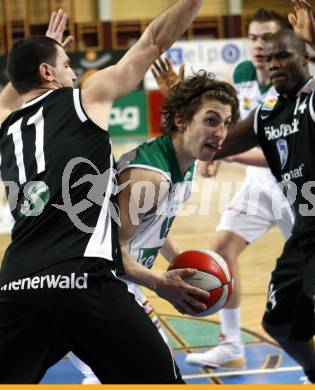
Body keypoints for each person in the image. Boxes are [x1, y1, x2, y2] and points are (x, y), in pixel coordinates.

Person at [0, 1, 210, 384]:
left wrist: (39, 52)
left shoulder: (5, 121)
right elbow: (153, 42)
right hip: (81, 279)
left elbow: (12, 93)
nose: (74, 73)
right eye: (67, 66)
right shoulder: (85, 98)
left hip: (16, 284)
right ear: (47, 73)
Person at [68, 69, 240, 384]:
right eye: (211, 120)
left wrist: (179, 262)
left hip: (116, 283)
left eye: (226, 123)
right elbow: (105, 254)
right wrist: (160, 282)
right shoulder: (150, 179)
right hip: (89, 288)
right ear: (181, 121)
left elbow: (154, 227)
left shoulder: (183, 160)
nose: (221, 132)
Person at [151, 10, 294, 368]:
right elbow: (235, 127)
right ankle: (231, 345)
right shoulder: (244, 74)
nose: (260, 45)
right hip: (260, 188)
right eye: (255, 37)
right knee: (221, 253)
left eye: (269, 38)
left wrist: (227, 153)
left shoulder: (295, 84)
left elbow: (285, 152)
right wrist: (214, 146)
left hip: (297, 186)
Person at [198, 0, 315, 383]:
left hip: (298, 201)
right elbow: (229, 138)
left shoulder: (310, 96)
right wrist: (204, 141)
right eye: (259, 43)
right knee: (276, 320)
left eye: (282, 51)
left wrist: (312, 39)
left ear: (302, 54)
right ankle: (234, 343)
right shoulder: (261, 99)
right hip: (291, 213)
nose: (270, 57)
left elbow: (273, 151)